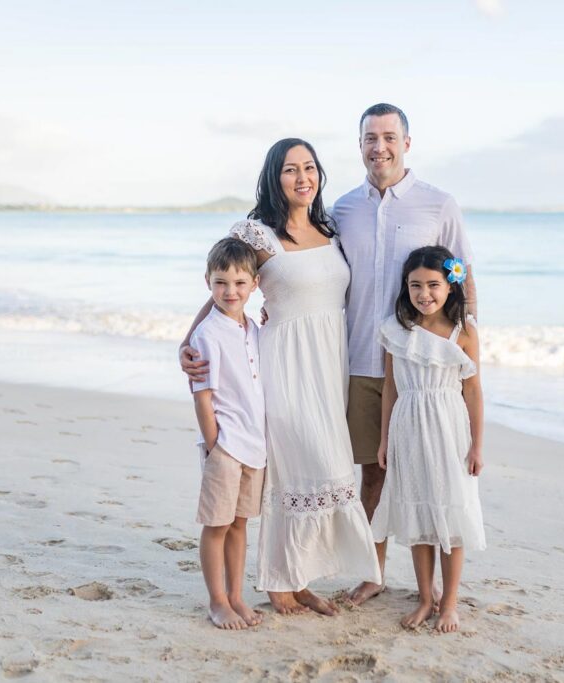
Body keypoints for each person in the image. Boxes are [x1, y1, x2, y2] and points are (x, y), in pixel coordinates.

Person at [180, 138, 382, 616]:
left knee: (327, 467)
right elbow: (224, 292)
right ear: (274, 177)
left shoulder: (329, 230)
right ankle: (279, 583)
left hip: (329, 364)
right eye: (290, 170)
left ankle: (298, 578)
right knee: (293, 468)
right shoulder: (256, 234)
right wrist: (187, 344)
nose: (302, 178)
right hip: (284, 365)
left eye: (309, 168)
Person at [332, 103, 478, 605]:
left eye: (389, 137)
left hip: (423, 375)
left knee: (429, 474)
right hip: (358, 362)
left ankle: (436, 588)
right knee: (371, 473)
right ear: (360, 146)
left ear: (407, 143)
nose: (380, 147)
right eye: (370, 138)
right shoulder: (342, 210)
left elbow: (463, 279)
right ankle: (374, 573)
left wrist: (467, 348)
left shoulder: (439, 204)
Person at [370, 246, 485, 633]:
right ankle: (425, 597)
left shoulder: (464, 332)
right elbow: (390, 386)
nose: (425, 293)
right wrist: (384, 440)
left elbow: (473, 391)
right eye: (415, 285)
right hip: (409, 426)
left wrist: (477, 445)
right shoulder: (396, 329)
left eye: (433, 285)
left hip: (449, 428)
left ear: (450, 286)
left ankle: (449, 603)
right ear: (406, 288)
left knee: (450, 513)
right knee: (419, 513)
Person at [189, 237, 266, 630]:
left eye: (239, 283)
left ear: (254, 284)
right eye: (221, 282)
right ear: (208, 282)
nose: (230, 291)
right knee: (217, 524)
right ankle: (217, 601)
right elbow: (202, 395)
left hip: (255, 445)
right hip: (226, 445)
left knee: (240, 523)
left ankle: (237, 595)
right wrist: (215, 443)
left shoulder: (255, 329)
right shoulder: (207, 334)